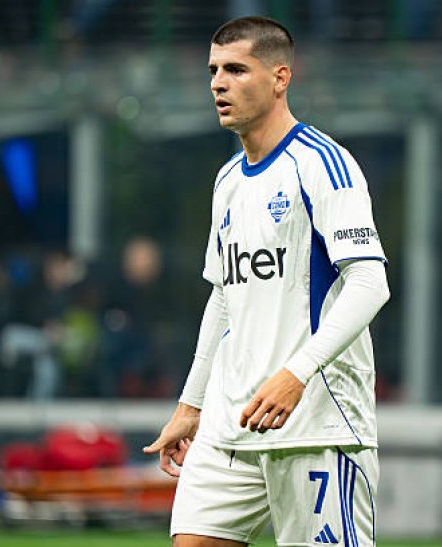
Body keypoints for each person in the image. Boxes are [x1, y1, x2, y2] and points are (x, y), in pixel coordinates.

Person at [143, 16, 391, 546]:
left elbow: (370, 281)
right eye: (213, 70)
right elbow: (224, 298)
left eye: (236, 70)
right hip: (231, 424)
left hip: (315, 422)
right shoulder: (228, 180)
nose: (218, 83)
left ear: (280, 78)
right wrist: (192, 404)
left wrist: (295, 374)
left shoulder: (323, 164)